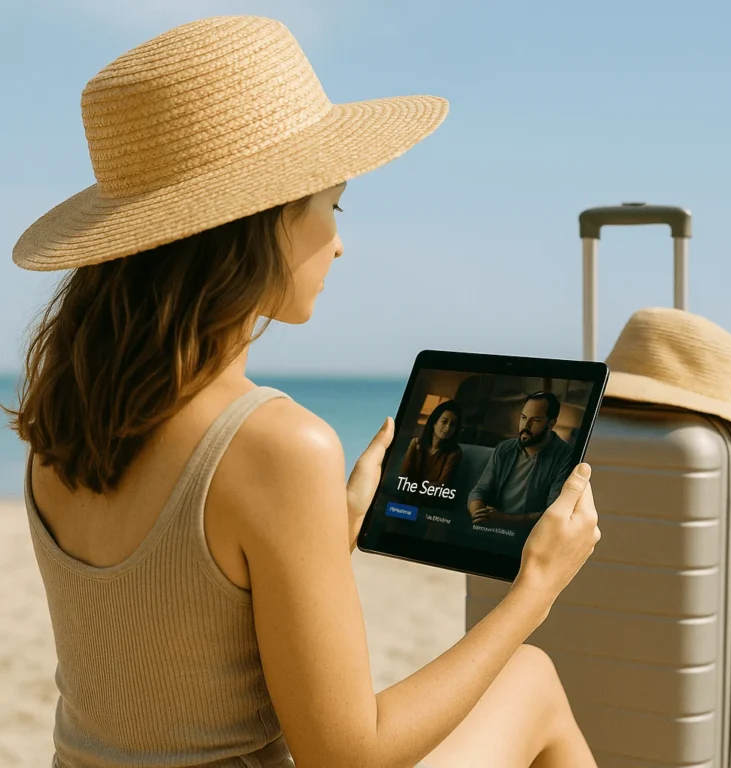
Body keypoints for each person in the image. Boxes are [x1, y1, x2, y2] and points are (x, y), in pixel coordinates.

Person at [5, 16, 600, 768]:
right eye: (332, 206)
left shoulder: (62, 424)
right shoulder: (276, 445)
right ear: (261, 224)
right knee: (531, 674)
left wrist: (329, 527)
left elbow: (171, 642)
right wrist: (534, 590)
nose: (340, 240)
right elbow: (348, 755)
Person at [468, 392, 574, 529]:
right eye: (523, 418)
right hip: (492, 527)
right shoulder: (505, 449)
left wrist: (505, 520)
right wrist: (478, 514)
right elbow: (480, 490)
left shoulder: (565, 456)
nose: (526, 426)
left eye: (535, 420)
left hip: (528, 537)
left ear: (551, 424)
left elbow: (553, 512)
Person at [399, 399, 463, 488]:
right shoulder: (416, 443)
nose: (447, 428)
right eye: (444, 422)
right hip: (407, 494)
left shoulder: (454, 452)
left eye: (452, 425)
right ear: (434, 422)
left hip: (433, 498)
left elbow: (442, 484)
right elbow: (403, 475)